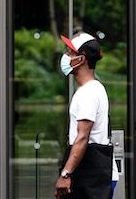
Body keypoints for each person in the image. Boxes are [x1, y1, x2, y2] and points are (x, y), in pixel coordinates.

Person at [55, 31, 114, 199]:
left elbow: (82, 137)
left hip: (90, 175)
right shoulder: (94, 89)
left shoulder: (88, 93)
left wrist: (65, 175)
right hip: (92, 172)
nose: (66, 56)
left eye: (70, 53)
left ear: (82, 58)